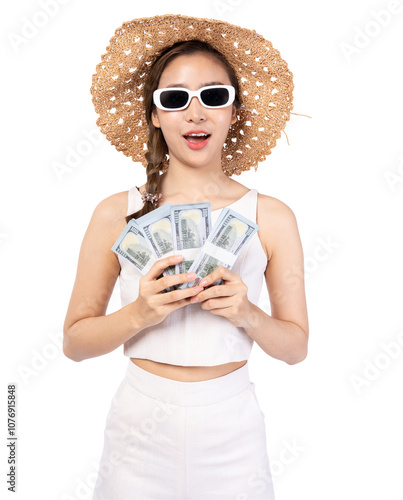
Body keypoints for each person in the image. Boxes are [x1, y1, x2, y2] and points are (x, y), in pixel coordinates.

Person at [63, 14, 309, 500]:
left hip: (232, 429)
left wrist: (247, 313)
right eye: (174, 99)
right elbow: (75, 342)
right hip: (138, 428)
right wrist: (139, 312)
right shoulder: (117, 212)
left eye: (214, 96)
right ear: (155, 115)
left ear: (233, 111)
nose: (195, 113)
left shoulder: (272, 217)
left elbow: (296, 348)